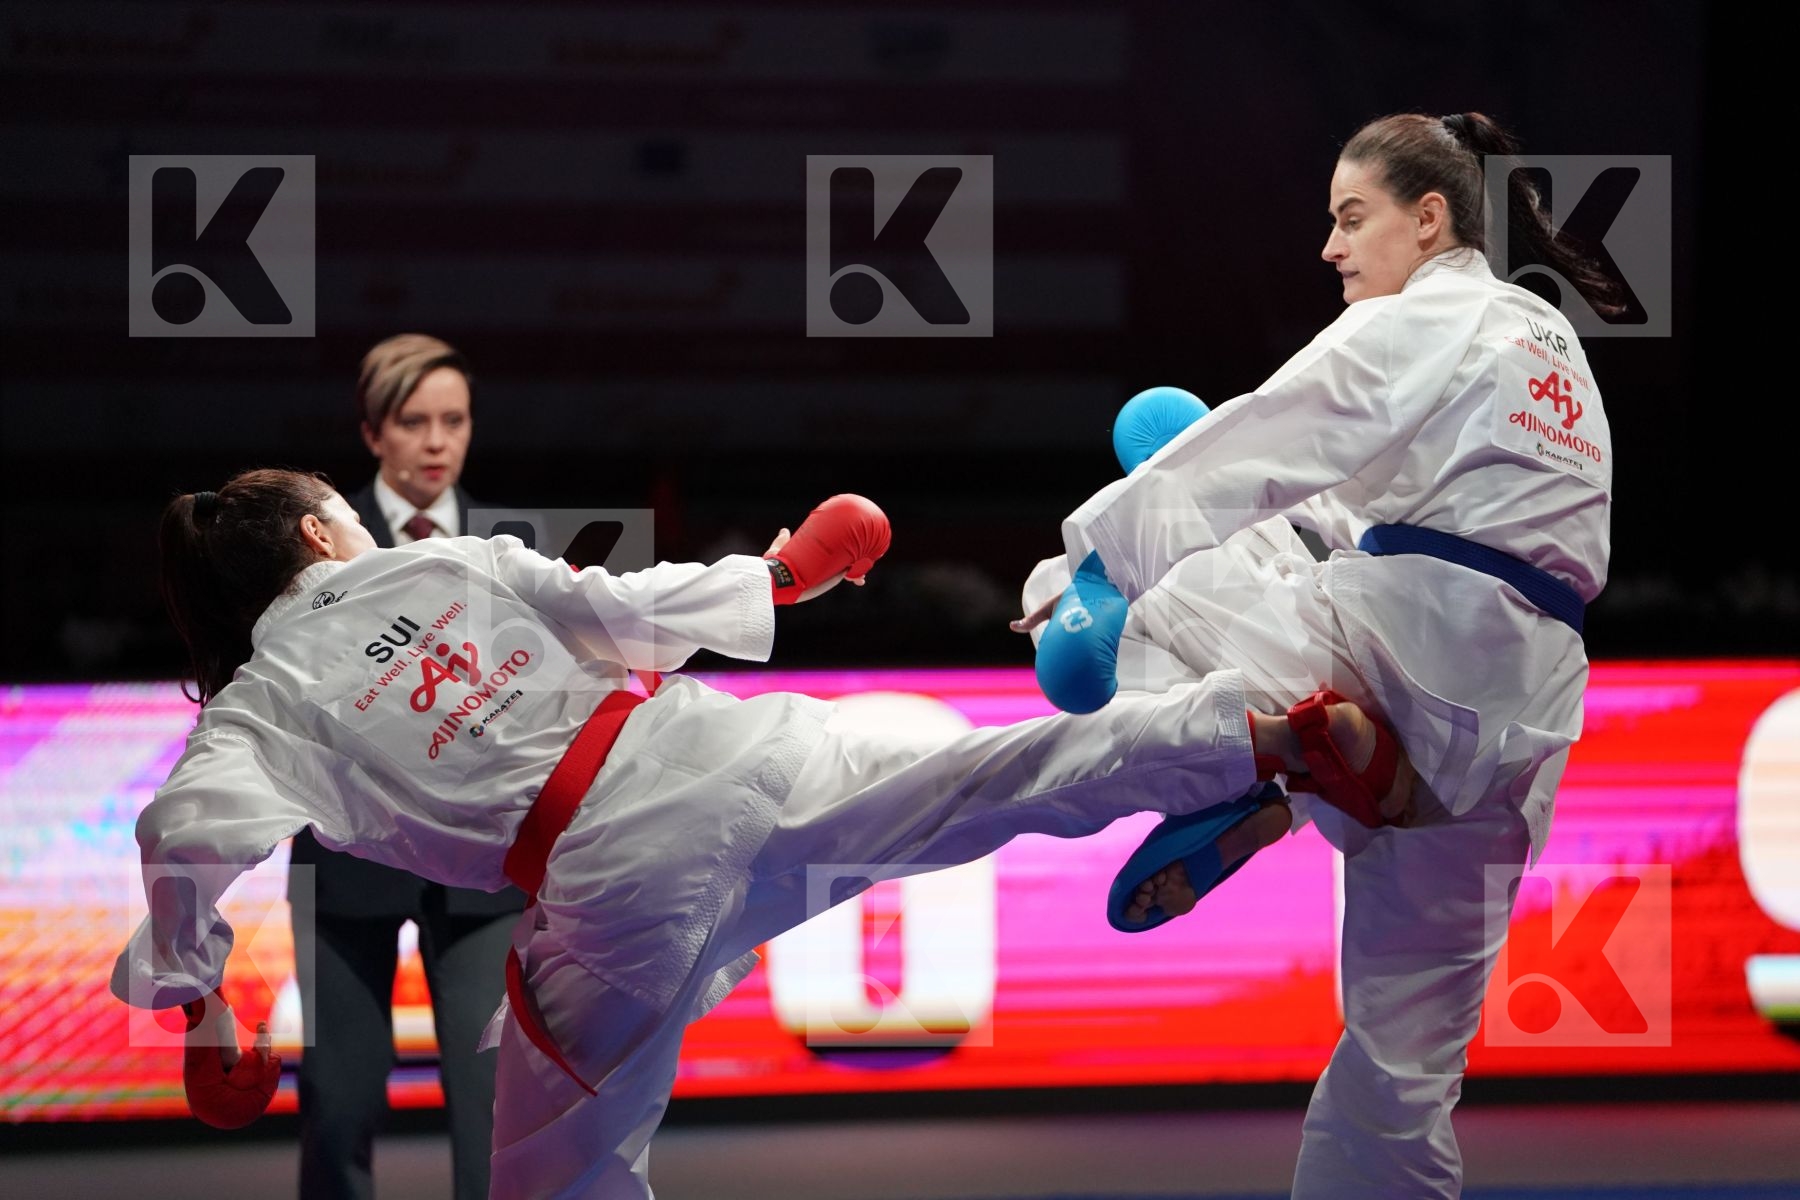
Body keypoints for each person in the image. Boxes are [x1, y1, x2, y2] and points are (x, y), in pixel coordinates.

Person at [114, 468, 1399, 1199]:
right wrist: (784, 573)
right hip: (726, 751)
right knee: (996, 770)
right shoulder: (436, 564)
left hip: (612, 895)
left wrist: (204, 1013)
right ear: (317, 532)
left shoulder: (256, 710)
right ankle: (1263, 739)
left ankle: (1234, 760)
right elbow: (614, 605)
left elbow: (181, 840)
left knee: (556, 1182)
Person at [1019, 111, 1618, 1197]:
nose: (1331, 248)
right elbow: (1364, 506)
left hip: (1416, 645)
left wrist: (1095, 559)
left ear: (1428, 219)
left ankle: (1283, 770)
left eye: (1353, 218)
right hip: (1525, 723)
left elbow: (1275, 433)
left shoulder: (1432, 316)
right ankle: (1323, 774)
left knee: (1104, 568)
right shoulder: (1547, 342)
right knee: (1402, 1072)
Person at [287, 333, 518, 1200]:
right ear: (372, 432)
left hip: (483, 868)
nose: (435, 441)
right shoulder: (307, 547)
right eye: (413, 421)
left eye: (452, 420)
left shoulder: (514, 541)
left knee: (494, 1109)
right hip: (348, 861)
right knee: (338, 1104)